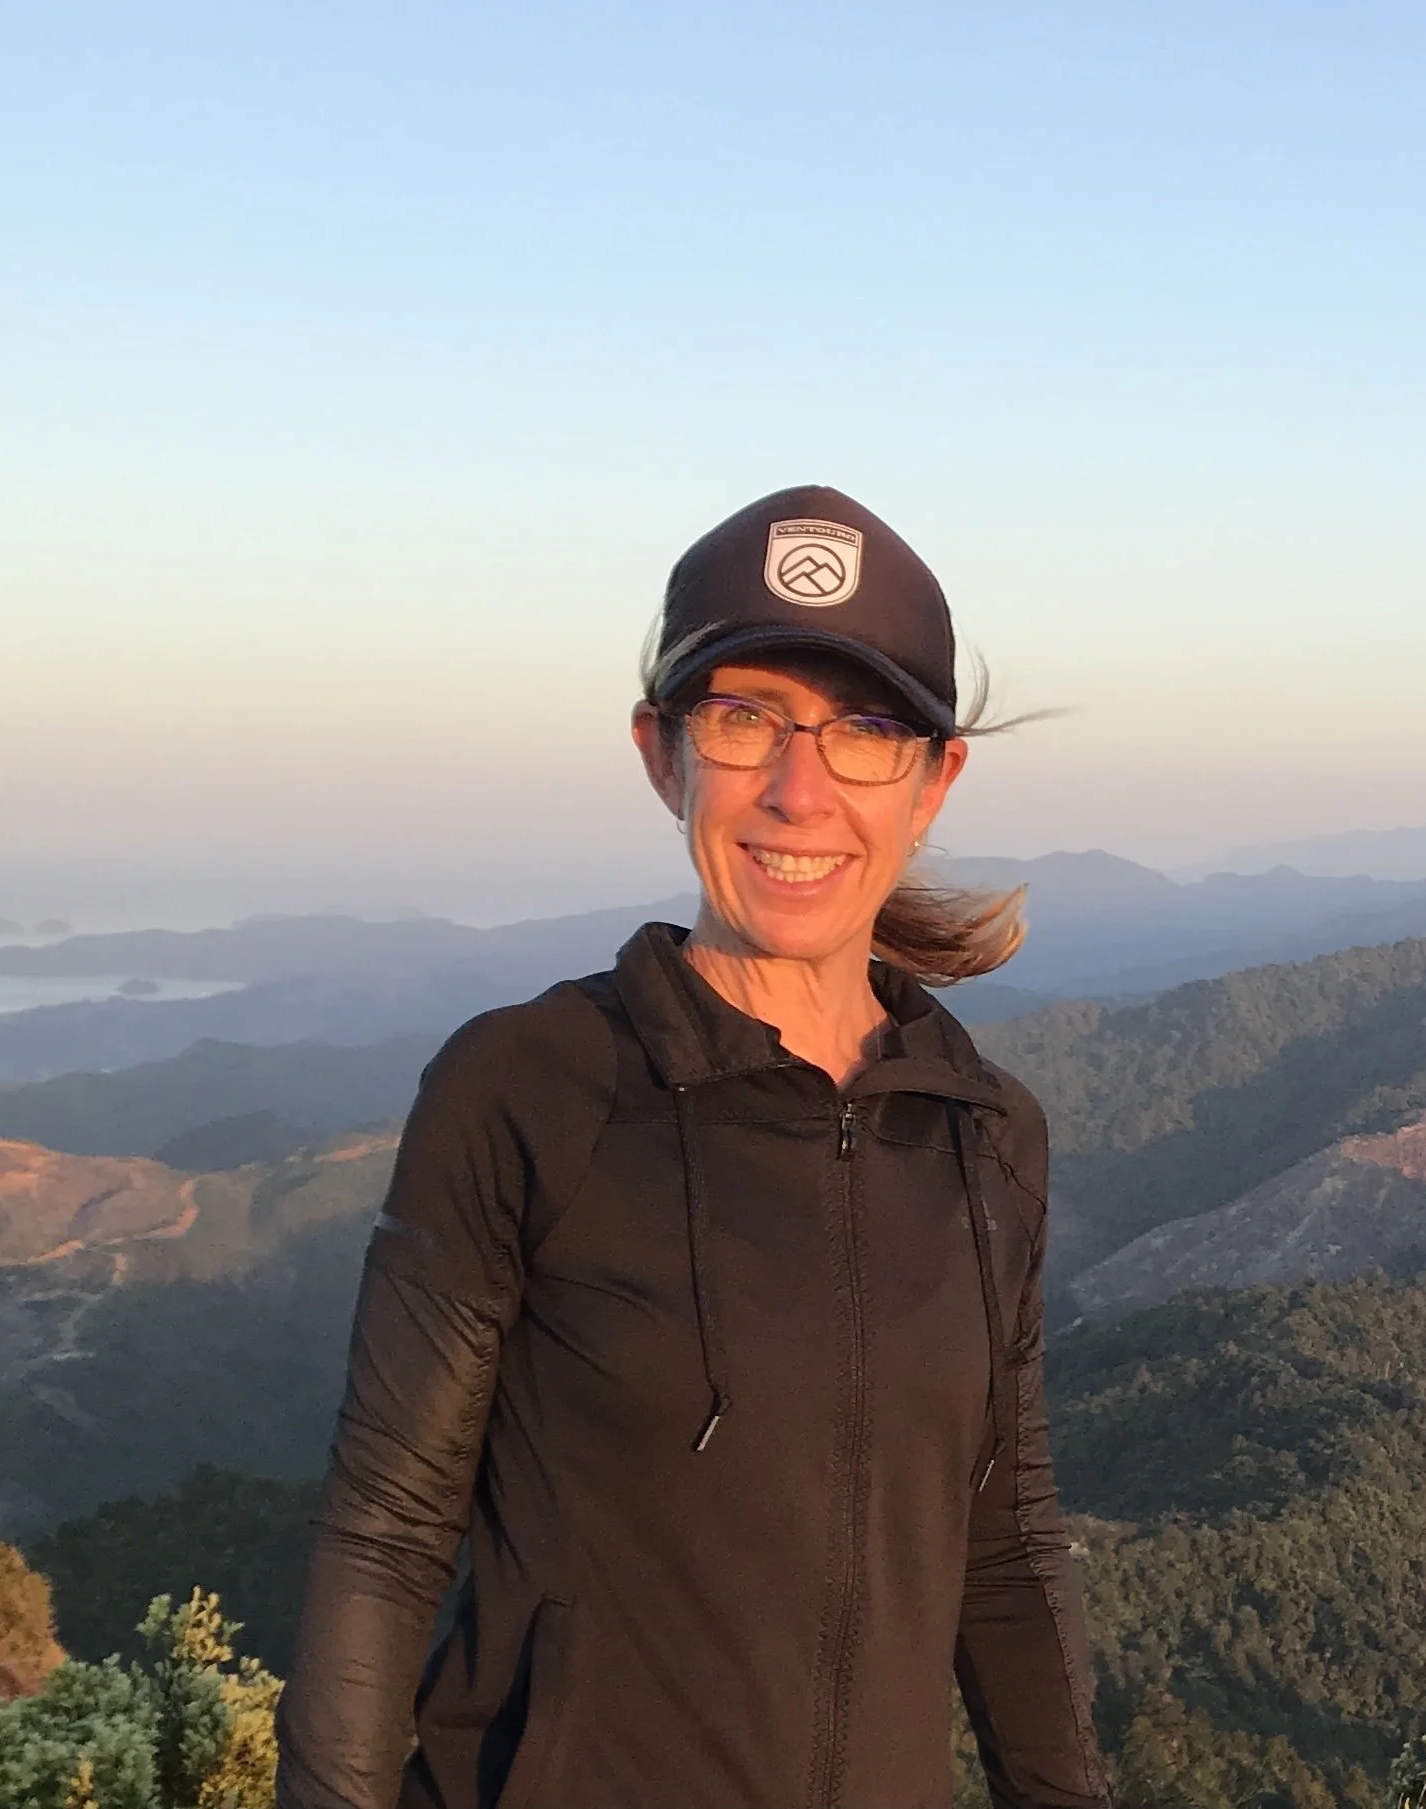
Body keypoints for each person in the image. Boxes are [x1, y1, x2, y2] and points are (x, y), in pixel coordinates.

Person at [274, 486, 1111, 1809]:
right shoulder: (530, 1088)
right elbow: (387, 1535)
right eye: (742, 720)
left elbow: (1000, 1546)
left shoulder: (986, 1135)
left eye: (864, 731)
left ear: (931, 781)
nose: (796, 789)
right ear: (660, 754)